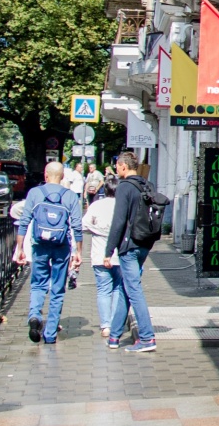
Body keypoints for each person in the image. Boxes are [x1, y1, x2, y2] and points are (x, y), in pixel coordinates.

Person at [16, 161, 82, 345]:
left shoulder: (35, 193)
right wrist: (78, 251)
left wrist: (19, 248)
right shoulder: (70, 196)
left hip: (40, 245)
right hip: (61, 246)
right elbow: (77, 226)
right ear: (62, 177)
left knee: (38, 284)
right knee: (57, 289)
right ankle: (50, 333)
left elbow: (24, 221)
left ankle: (35, 316)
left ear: (45, 175)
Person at [101, 151, 158, 353]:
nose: (116, 169)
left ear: (124, 166)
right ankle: (115, 336)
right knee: (126, 288)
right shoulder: (146, 185)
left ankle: (147, 338)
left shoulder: (124, 187)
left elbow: (118, 221)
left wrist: (108, 251)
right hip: (144, 243)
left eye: (117, 166)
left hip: (129, 246)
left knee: (133, 290)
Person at [82, 188, 118, 340]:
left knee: (104, 290)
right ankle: (116, 324)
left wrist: (97, 230)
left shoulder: (96, 205)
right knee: (118, 289)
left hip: (99, 254)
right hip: (119, 254)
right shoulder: (122, 204)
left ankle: (106, 326)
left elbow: (83, 225)